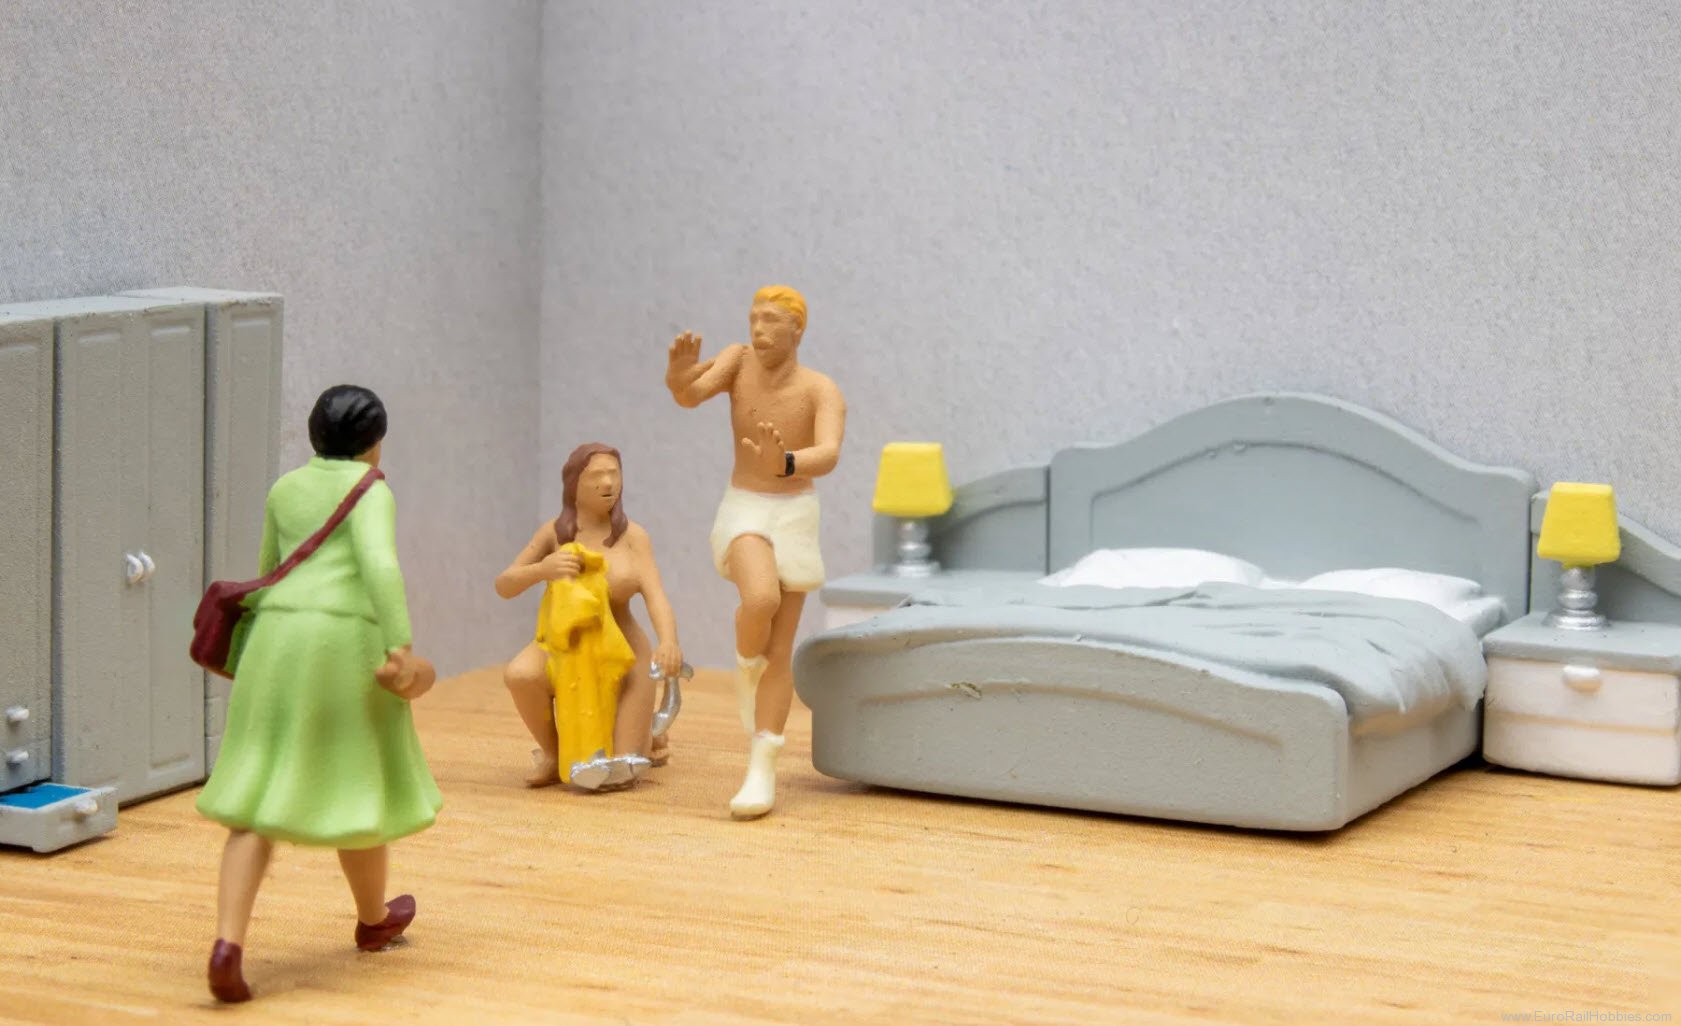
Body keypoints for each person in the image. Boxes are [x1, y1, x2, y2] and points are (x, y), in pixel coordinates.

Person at [196, 384, 441, 1003]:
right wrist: (400, 643)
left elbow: (268, 567)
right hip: (341, 644)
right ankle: (372, 919)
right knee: (358, 776)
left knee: (256, 792)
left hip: (275, 640)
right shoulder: (371, 489)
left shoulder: (285, 488)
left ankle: (228, 943)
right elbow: (380, 564)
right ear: (374, 442)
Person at [664, 285, 846, 818]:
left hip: (794, 513)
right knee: (760, 598)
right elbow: (690, 395)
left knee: (780, 647)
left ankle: (761, 766)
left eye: (771, 320)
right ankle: (746, 658)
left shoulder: (820, 389)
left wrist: (787, 462)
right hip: (745, 506)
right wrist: (678, 377)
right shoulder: (737, 361)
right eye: (754, 318)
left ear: (797, 328)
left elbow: (829, 452)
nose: (759, 330)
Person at [496, 443, 684, 787]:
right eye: (597, 475)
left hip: (624, 653)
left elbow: (656, 597)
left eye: (614, 474)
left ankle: (647, 732)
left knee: (620, 771)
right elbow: (505, 585)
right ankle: (553, 753)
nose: (608, 483)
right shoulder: (553, 534)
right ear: (574, 484)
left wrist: (668, 641)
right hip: (565, 645)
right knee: (521, 673)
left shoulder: (633, 537)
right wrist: (543, 569)